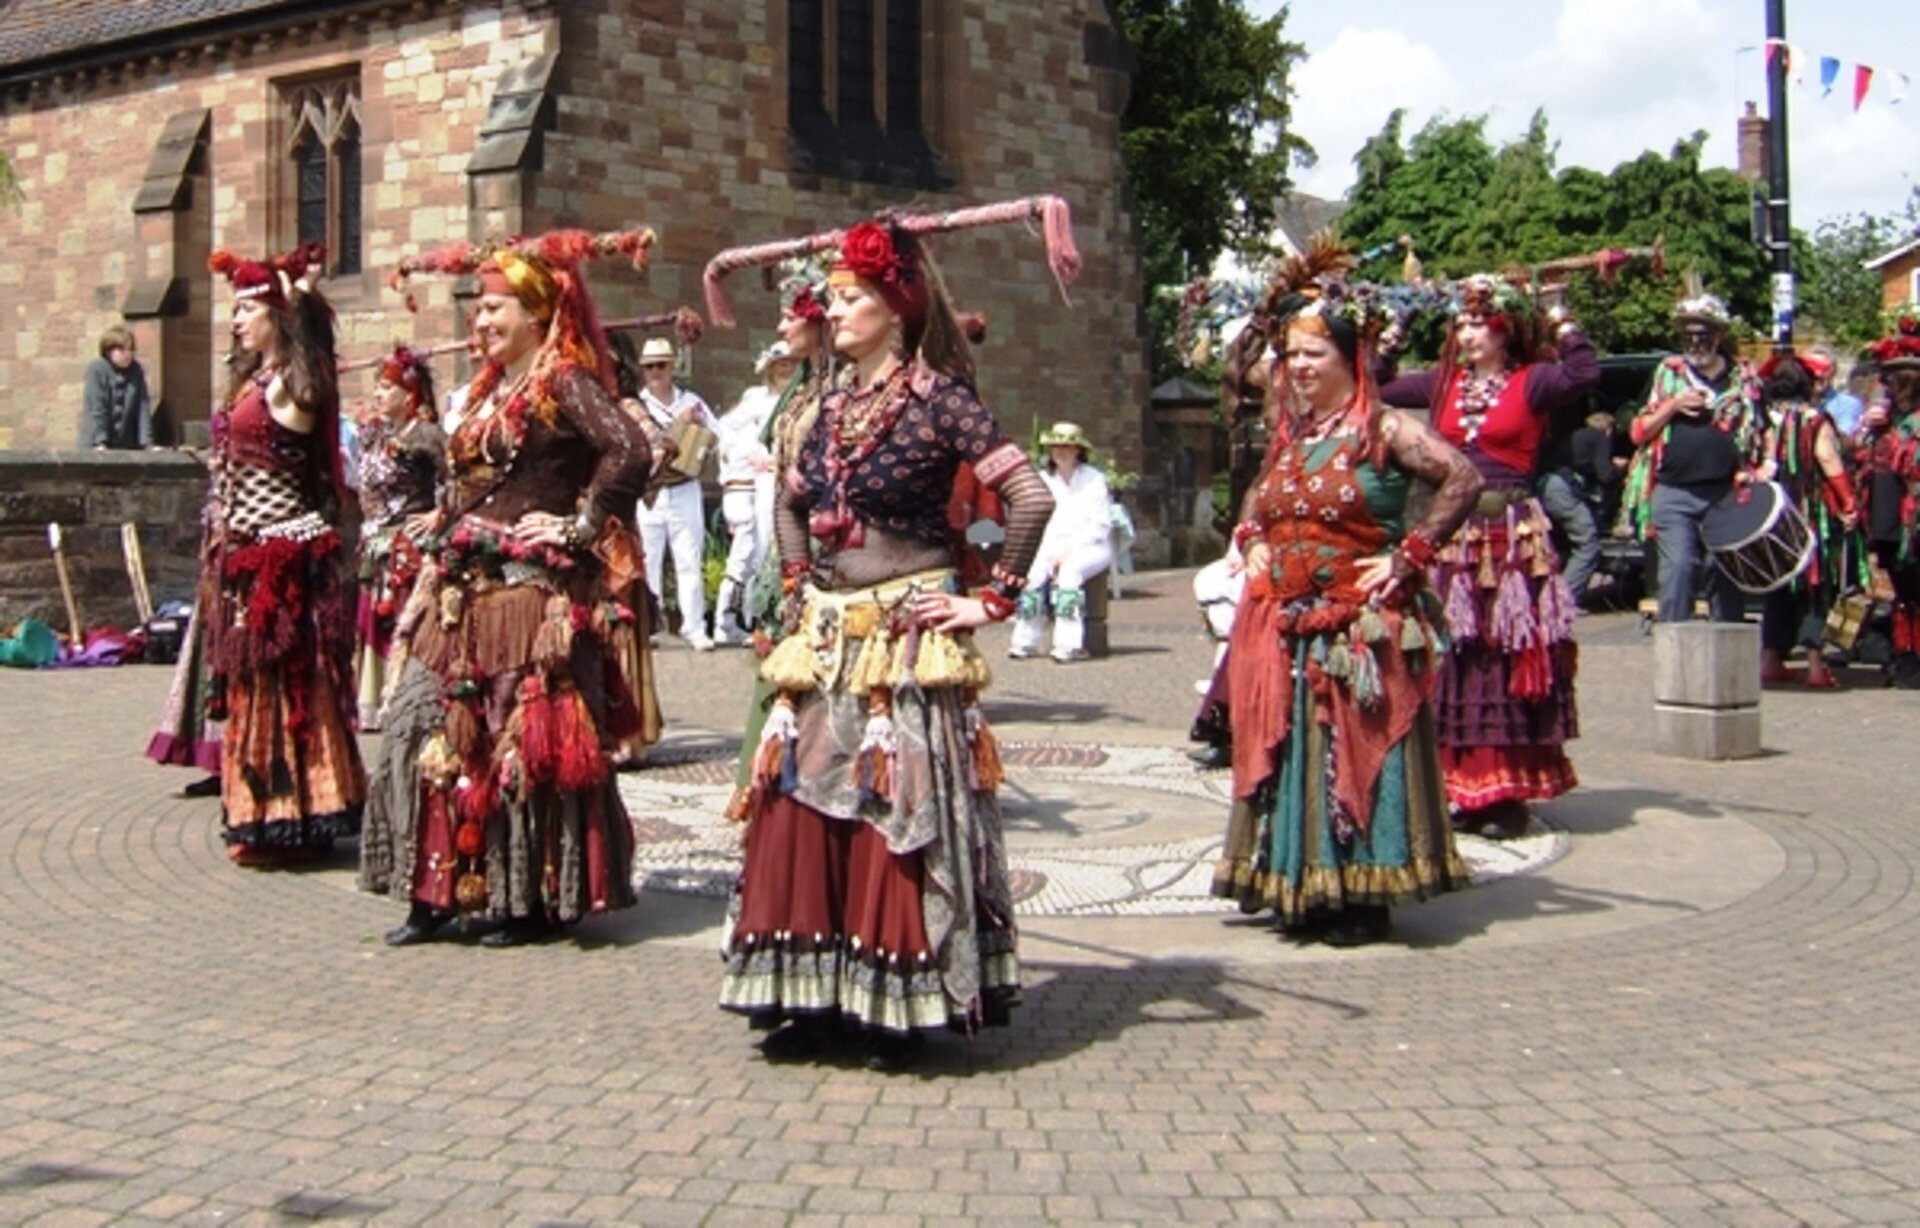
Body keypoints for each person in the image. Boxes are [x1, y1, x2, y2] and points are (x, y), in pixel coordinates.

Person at [720, 211, 1063, 1071]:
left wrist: (992, 602)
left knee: (890, 810)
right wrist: (797, 587)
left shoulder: (941, 400)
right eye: (831, 299)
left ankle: (896, 1000)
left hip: (907, 639)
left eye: (850, 298)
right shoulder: (829, 406)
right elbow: (789, 502)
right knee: (799, 802)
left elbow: (1030, 499)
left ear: (896, 308)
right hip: (828, 635)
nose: (833, 312)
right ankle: (816, 994)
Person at [360, 227, 656, 946]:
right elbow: (477, 477)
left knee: (510, 742)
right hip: (462, 590)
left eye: (496, 310)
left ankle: (523, 897)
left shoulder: (563, 382)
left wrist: (583, 525)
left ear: (535, 313)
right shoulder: (491, 390)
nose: (482, 322)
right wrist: (446, 516)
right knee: (421, 725)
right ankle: (432, 889)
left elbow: (632, 448)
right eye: (479, 310)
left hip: (528, 597)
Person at [1211, 234, 1483, 945]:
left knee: (1350, 755)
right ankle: (1304, 884)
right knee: (1295, 755)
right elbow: (1256, 502)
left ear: (1349, 359)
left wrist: (1410, 555)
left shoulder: (1385, 430)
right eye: (1291, 356)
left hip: (1356, 630)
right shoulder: (1289, 439)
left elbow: (1464, 478)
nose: (1297, 368)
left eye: (1313, 356)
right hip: (1287, 625)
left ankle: (1362, 893)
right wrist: (1253, 541)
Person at [1378, 274, 1595, 839]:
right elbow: (1376, 387)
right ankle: (1458, 781)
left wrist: (1560, 314)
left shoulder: (1533, 381)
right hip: (1454, 534)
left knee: (1509, 651)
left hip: (1512, 532)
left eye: (1479, 323)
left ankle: (1508, 793)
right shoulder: (1443, 384)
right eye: (1462, 323)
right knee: (1454, 652)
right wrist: (1392, 330)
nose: (1469, 333)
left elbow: (1584, 374)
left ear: (1505, 329)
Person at [201, 243, 366, 865]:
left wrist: (301, 298)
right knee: (254, 684)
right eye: (236, 310)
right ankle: (260, 810)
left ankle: (297, 809)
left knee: (289, 684)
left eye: (250, 309)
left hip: (282, 556)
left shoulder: (292, 387)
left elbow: (315, 368)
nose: (239, 320)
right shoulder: (252, 380)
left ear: (276, 316)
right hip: (242, 556)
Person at [1623, 293, 1764, 625]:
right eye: (1688, 335)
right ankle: (1674, 653)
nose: (1695, 342)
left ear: (1719, 336)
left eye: (1703, 334)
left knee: (1725, 570)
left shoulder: (1741, 378)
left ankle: (1723, 658)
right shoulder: (1667, 374)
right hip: (1674, 491)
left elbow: (1761, 430)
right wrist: (1671, 406)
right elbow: (1638, 432)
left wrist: (1757, 469)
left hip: (1725, 492)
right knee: (1680, 567)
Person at [352, 345, 445, 729]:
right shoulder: (374, 435)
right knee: (373, 620)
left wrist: (439, 514)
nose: (379, 395)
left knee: (407, 622)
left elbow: (456, 480)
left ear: (410, 397)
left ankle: (407, 696)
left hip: (409, 545)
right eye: (377, 387)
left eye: (387, 388)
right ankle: (372, 701)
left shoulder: (426, 435)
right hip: (374, 545)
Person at [632, 336, 719, 650]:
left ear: (672, 367)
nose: (656, 371)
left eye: (661, 365)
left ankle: (694, 627)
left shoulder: (691, 402)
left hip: (684, 488)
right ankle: (651, 626)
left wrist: (700, 441)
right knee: (648, 559)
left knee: (688, 558)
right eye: (650, 366)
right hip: (650, 492)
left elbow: (719, 437)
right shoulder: (637, 405)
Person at [1009, 422, 1114, 662]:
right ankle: (1025, 641)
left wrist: (1069, 551)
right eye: (1055, 447)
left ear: (1078, 450)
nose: (1060, 452)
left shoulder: (1094, 479)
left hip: (1092, 547)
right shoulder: (1043, 479)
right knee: (1032, 577)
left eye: (1066, 447)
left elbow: (1101, 526)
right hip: (1050, 546)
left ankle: (1068, 644)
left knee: (1069, 574)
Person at [711, 341, 790, 645]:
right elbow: (725, 429)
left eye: (791, 363)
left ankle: (755, 618)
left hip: (790, 481)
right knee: (756, 550)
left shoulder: (800, 399)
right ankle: (742, 619)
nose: (786, 368)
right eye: (781, 363)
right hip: (762, 483)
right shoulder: (757, 401)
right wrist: (752, 455)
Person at [1858, 320, 1920, 688]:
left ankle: (1909, 661)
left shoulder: (1897, 432)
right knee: (1906, 594)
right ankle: (1907, 659)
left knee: (1909, 593)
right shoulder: (1883, 430)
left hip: (1903, 521)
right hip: (1894, 522)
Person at [82, 325, 155, 450]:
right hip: (95, 444)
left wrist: (147, 442)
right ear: (109, 351)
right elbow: (98, 408)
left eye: (131, 350)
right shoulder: (97, 369)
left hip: (127, 445)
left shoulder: (136, 371)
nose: (128, 355)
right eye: (122, 350)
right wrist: (100, 441)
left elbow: (142, 407)